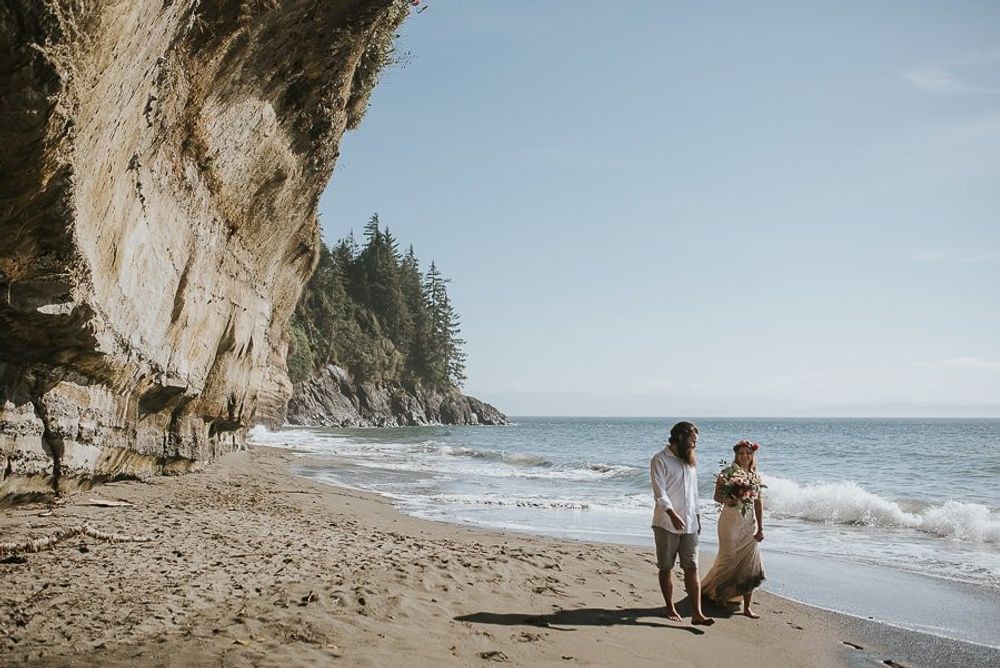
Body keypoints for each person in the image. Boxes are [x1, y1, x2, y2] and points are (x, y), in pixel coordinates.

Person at [649, 421, 714, 626]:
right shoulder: (660, 460)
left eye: (696, 441)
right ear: (679, 438)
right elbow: (660, 493)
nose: (694, 445)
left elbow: (694, 495)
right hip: (666, 523)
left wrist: (698, 518)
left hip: (690, 524)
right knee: (666, 567)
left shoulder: (690, 461)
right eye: (692, 440)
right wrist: (672, 514)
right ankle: (669, 607)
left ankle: (697, 614)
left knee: (692, 566)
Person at [701, 439, 766, 618]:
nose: (744, 456)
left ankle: (747, 607)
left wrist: (760, 528)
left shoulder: (755, 477)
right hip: (729, 522)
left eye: (748, 453)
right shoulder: (726, 473)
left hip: (748, 523)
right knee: (727, 558)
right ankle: (719, 595)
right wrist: (729, 499)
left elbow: (758, 503)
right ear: (736, 455)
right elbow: (717, 496)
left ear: (752, 456)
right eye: (741, 453)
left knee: (750, 562)